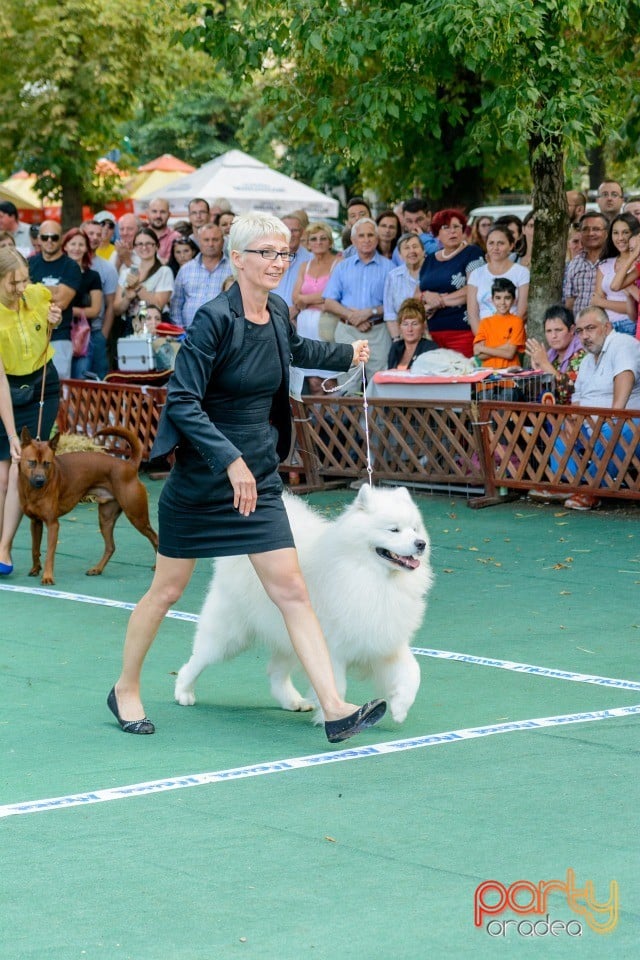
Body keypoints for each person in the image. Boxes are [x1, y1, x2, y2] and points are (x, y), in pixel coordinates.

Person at [107, 212, 385, 743]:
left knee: (292, 590)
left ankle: (333, 707)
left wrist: (347, 352)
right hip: (204, 478)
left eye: (284, 254)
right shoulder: (214, 319)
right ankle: (125, 687)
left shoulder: (279, 310)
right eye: (266, 253)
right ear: (238, 259)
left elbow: (297, 352)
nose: (278, 263)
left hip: (259, 475)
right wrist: (229, 461)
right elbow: (183, 402)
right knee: (166, 591)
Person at [0, 248, 62, 574]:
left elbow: (53, 314)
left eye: (25, 279)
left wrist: (57, 316)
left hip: (42, 386)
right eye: (14, 283)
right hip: (5, 392)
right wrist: (11, 434)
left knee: (18, 469)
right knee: (2, 473)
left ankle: (4, 550)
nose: (22, 287)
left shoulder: (37, 293)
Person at [548, 306, 640, 511]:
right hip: (593, 425)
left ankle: (592, 490)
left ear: (607, 327)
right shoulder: (587, 360)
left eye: (590, 328)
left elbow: (624, 380)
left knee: (614, 429)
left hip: (629, 422)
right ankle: (569, 485)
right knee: (564, 427)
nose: (585, 336)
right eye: (580, 331)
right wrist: (573, 421)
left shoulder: (622, 344)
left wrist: (613, 418)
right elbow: (578, 402)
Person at [323, 218, 394, 381]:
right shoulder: (342, 267)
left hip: (377, 331)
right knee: (348, 385)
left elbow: (394, 304)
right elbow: (328, 302)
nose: (366, 239)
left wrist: (369, 312)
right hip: (347, 330)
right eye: (361, 236)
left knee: (379, 383)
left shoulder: (389, 267)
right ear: (353, 240)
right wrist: (352, 316)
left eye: (370, 235)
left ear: (377, 239)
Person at [417, 208, 485, 356]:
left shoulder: (473, 253)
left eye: (456, 227)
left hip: (463, 331)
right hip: (432, 333)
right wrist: (425, 298)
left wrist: (439, 301)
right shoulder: (429, 260)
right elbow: (419, 292)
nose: (452, 232)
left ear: (463, 230)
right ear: (437, 233)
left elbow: (473, 289)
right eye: (446, 227)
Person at [290, 221, 341, 395]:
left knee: (330, 380)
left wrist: (305, 300)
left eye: (323, 238)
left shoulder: (338, 262)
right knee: (312, 380)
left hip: (328, 325)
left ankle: (332, 421)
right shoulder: (305, 265)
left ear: (330, 242)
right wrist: (315, 299)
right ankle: (315, 423)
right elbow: (295, 297)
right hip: (306, 327)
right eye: (313, 239)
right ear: (309, 243)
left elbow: (331, 295)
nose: (318, 242)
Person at [28, 220, 82, 379]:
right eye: (45, 237)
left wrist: (35, 291)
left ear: (61, 239)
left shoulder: (71, 266)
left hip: (59, 336)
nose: (49, 241)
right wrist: (54, 290)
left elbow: (62, 302)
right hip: (33, 336)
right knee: (33, 388)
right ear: (38, 239)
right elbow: (24, 298)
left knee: (60, 387)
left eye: (54, 237)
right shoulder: (30, 263)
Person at [467, 224, 529, 336]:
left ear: (511, 246)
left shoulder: (522, 272)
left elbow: (522, 312)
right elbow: (472, 314)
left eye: (501, 243)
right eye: (491, 243)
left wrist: (505, 336)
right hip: (484, 336)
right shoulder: (476, 274)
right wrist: (481, 338)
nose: (495, 248)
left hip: (512, 336)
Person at [114, 227, 174, 338]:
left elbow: (159, 305)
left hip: (155, 325)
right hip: (131, 325)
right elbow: (117, 310)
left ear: (156, 246)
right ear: (135, 248)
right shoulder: (126, 272)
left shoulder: (164, 271)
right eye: (139, 244)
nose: (144, 247)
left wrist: (137, 287)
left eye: (149, 244)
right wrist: (127, 298)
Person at [170, 224, 232, 329]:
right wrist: (180, 331)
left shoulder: (234, 269)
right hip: (189, 335)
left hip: (224, 334)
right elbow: (176, 305)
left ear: (223, 241)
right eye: (206, 240)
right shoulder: (186, 269)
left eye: (215, 240)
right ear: (199, 242)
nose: (210, 244)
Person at [61, 229, 104, 380]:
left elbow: (95, 310)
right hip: (58, 335)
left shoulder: (92, 276)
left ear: (86, 248)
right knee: (60, 383)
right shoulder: (58, 273)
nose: (76, 248)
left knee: (80, 382)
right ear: (65, 246)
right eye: (73, 244)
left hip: (83, 337)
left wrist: (68, 310)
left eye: (81, 244)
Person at [525, 304, 586, 404]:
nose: (553, 336)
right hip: (553, 414)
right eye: (549, 331)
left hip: (576, 415)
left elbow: (568, 392)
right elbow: (539, 395)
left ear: (572, 330)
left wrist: (544, 364)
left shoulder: (582, 353)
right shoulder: (551, 355)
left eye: (558, 330)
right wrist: (537, 371)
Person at [590, 212, 639, 335]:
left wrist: (603, 302)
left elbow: (599, 301)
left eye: (625, 232)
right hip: (607, 326)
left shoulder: (636, 264)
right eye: (616, 233)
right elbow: (595, 301)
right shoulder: (605, 264)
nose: (620, 238)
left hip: (630, 324)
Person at [472, 278, 526, 370]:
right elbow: (479, 355)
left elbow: (509, 354)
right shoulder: (485, 322)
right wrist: (505, 347)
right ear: (492, 299)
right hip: (488, 375)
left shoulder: (517, 322)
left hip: (510, 374)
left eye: (507, 298)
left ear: (513, 300)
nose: (502, 302)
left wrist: (483, 349)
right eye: (498, 298)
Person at [563, 212, 608, 314]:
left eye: (596, 229)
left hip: (608, 325)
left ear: (606, 233)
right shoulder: (574, 264)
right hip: (579, 326)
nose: (591, 233)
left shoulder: (614, 261)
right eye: (585, 229)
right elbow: (570, 302)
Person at [383, 232, 425, 337]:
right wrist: (398, 340)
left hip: (432, 334)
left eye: (415, 246)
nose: (411, 251)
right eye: (406, 248)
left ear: (423, 251)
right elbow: (390, 314)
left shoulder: (433, 272)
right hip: (404, 337)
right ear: (400, 255)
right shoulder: (393, 276)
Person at [387, 298, 438, 370]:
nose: (409, 329)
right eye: (405, 324)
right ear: (400, 327)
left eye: (414, 324)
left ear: (423, 326)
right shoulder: (395, 347)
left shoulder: (430, 348)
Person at [146, 198, 180, 263]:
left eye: (162, 212)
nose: (158, 216)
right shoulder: (139, 236)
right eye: (154, 211)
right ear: (147, 213)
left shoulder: (176, 237)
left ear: (169, 215)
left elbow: (172, 264)